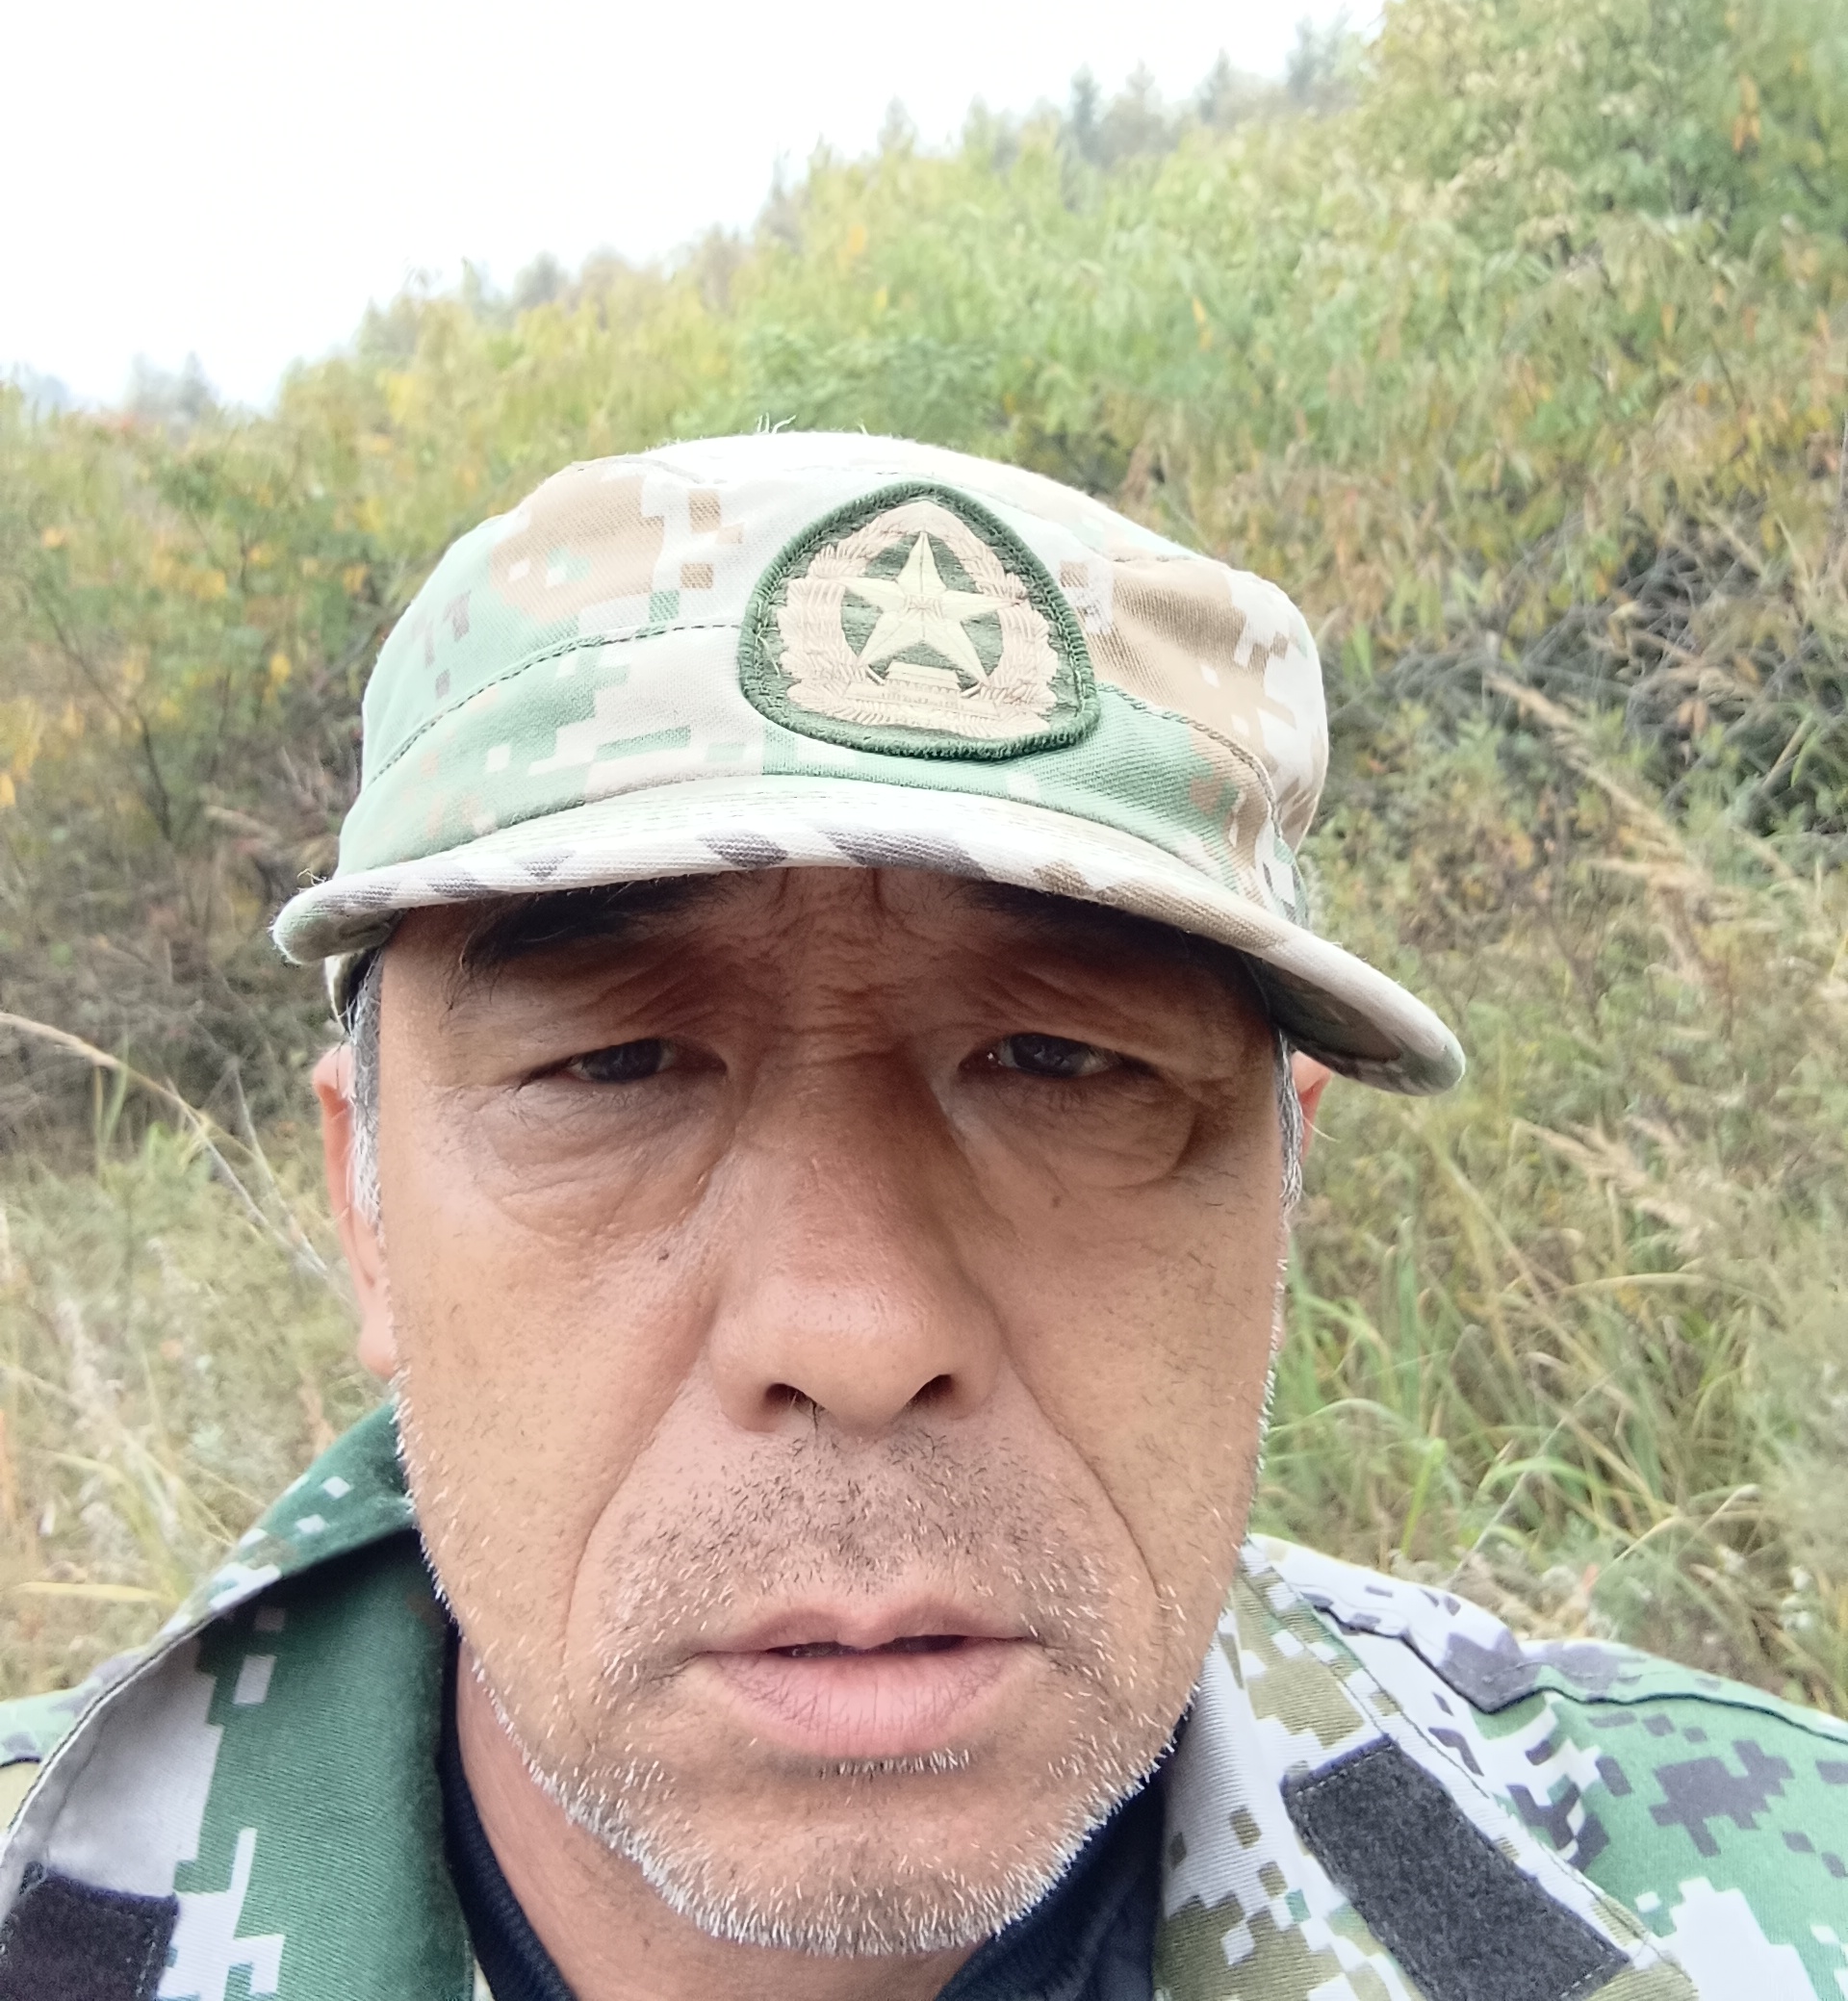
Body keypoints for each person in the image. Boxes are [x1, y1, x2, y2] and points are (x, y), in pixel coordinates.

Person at [0, 432, 1840, 2001]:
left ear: (1281, 1202)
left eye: (1062, 1062)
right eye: (616, 1066)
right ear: (369, 1208)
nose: (858, 1334)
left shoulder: (1762, 1907)